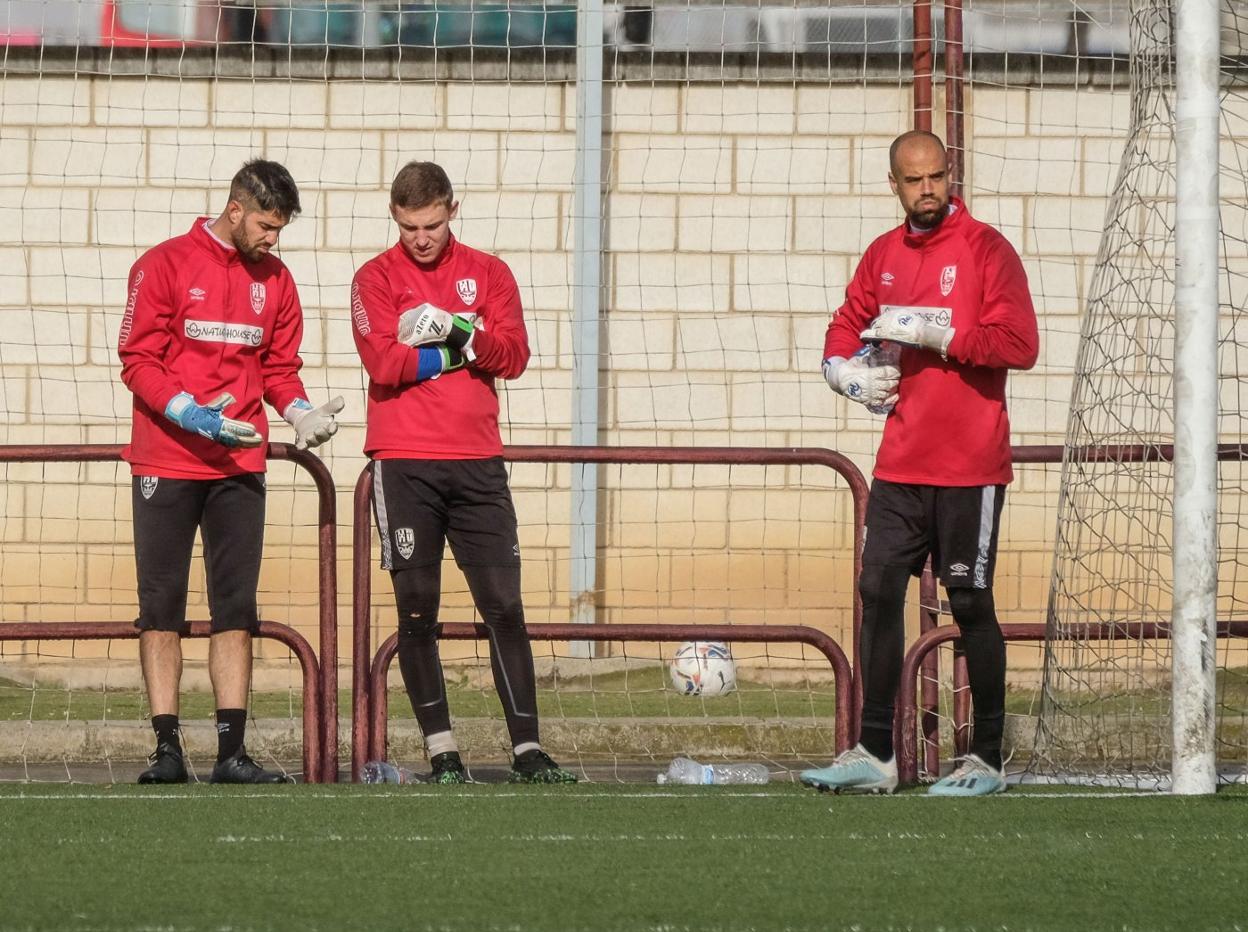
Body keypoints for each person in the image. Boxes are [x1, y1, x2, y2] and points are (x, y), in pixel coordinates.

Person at [802, 131, 1039, 796]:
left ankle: (986, 759)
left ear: (949, 174)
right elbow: (847, 322)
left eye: (937, 176)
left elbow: (1021, 343)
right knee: (878, 595)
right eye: (914, 180)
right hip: (901, 464)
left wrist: (941, 336)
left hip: (970, 465)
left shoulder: (986, 248)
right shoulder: (882, 254)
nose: (928, 189)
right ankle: (875, 755)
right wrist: (841, 371)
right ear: (895, 185)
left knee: (969, 602)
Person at [118, 159, 344, 784]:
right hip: (166, 457)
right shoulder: (161, 264)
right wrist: (190, 413)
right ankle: (166, 750)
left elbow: (278, 367)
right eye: (269, 225)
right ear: (237, 210)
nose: (276, 239)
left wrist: (299, 411)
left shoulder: (276, 279)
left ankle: (230, 753)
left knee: (234, 608)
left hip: (239, 463)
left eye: (282, 229)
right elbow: (137, 360)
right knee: (160, 606)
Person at [350, 160, 576, 785]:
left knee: (504, 606)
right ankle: (443, 753)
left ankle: (529, 751)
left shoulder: (489, 272)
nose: (420, 238)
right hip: (403, 464)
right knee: (417, 611)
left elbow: (515, 357)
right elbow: (384, 363)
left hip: (478, 463)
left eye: (430, 224)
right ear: (394, 219)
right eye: (407, 227)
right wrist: (461, 344)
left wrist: (461, 336)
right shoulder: (373, 277)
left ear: (452, 208)